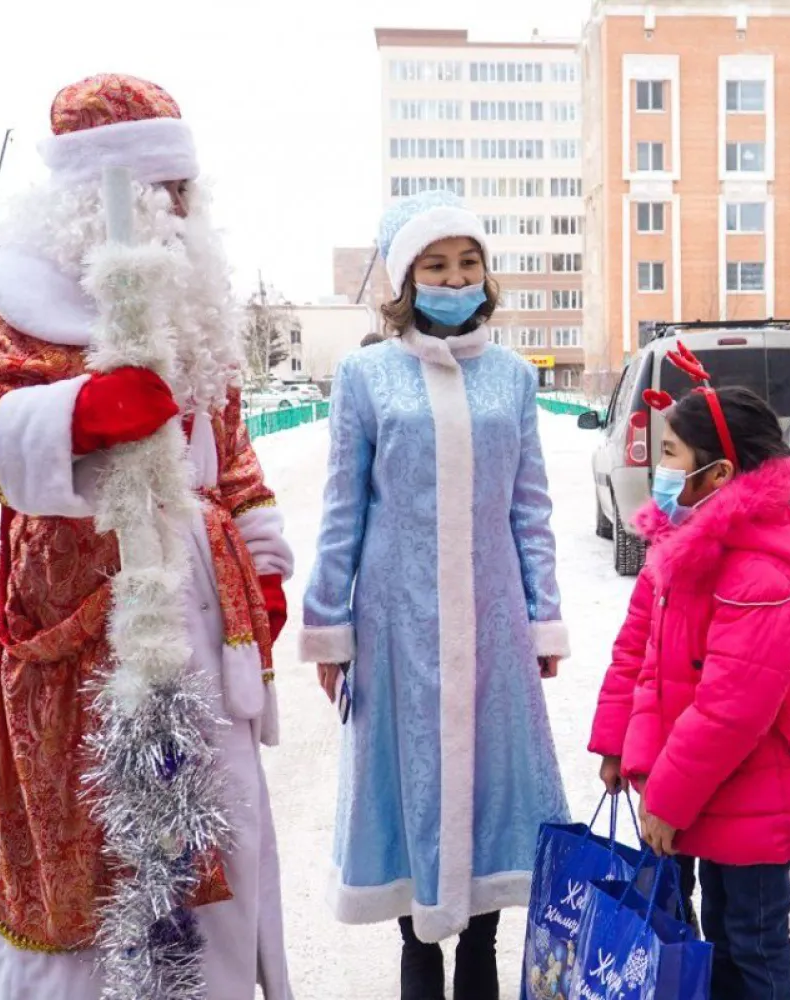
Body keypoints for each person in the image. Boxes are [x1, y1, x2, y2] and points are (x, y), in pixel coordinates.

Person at [0, 74, 293, 999]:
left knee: (210, 830)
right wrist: (75, 414)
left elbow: (233, 456)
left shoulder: (197, 305)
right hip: (80, 630)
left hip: (203, 621)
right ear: (92, 195)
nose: (173, 209)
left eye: (183, 191)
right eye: (154, 189)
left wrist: (267, 564)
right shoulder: (16, 295)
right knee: (89, 858)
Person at [299, 190, 570, 1000]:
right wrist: (329, 628)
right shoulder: (366, 375)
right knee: (412, 797)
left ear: (486, 272)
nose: (454, 277)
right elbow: (343, 508)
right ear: (406, 279)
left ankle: (479, 960)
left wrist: (542, 617)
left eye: (466, 262)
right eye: (435, 265)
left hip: (491, 626)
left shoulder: (515, 378)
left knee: (488, 806)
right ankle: (417, 963)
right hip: (397, 628)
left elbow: (532, 508)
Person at [589, 374, 790, 1000]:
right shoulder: (677, 549)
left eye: (670, 453)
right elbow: (636, 651)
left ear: (719, 472)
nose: (658, 468)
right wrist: (619, 742)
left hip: (752, 794)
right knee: (677, 938)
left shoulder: (757, 570)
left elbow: (732, 710)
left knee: (748, 946)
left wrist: (666, 800)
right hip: (680, 784)